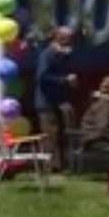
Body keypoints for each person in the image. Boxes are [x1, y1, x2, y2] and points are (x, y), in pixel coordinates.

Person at [36, 26, 78, 172]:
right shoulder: (47, 54)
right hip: (47, 101)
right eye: (69, 38)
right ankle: (51, 166)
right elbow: (43, 77)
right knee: (50, 133)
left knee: (64, 130)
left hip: (60, 100)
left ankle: (64, 163)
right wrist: (65, 79)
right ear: (59, 38)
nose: (71, 42)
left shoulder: (64, 55)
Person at [78, 75, 109, 173]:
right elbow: (102, 128)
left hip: (98, 137)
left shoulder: (108, 103)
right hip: (95, 140)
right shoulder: (105, 105)